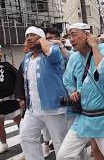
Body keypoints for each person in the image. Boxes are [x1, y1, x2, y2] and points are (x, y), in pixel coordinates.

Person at [58, 22, 104, 160]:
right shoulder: (73, 56)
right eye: (69, 36)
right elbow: (67, 79)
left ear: (87, 35)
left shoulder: (102, 49)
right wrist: (72, 90)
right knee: (64, 155)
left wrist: (95, 46)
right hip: (83, 117)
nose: (71, 40)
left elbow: (102, 74)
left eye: (74, 35)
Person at [19, 26, 68, 160]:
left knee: (60, 143)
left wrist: (46, 43)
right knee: (26, 137)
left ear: (41, 38)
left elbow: (53, 56)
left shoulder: (53, 51)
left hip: (53, 107)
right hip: (33, 109)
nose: (28, 38)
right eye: (27, 36)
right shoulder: (27, 58)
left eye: (33, 35)